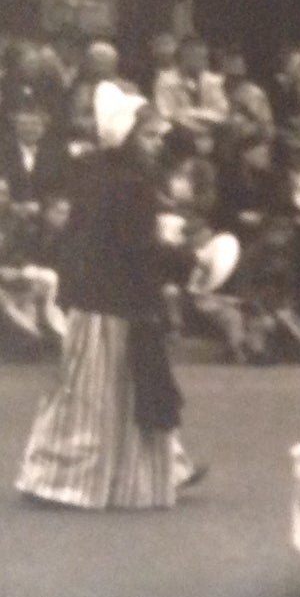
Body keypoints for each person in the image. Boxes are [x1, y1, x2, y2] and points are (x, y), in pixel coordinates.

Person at [16, 88, 204, 509]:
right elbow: (138, 248)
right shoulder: (131, 184)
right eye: (150, 136)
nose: (157, 143)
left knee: (91, 394)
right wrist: (189, 261)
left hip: (95, 301)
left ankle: (59, 473)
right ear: (127, 136)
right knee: (113, 393)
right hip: (117, 304)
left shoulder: (95, 172)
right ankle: (75, 479)